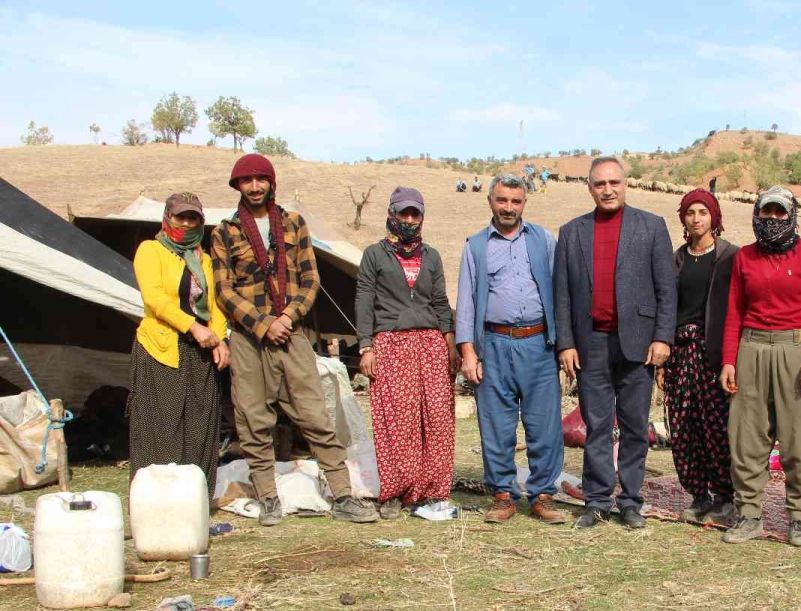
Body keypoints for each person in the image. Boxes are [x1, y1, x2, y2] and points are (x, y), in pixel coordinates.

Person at [211, 153, 379, 526]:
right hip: (248, 339)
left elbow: (310, 280)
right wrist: (262, 323)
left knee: (316, 416)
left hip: (292, 334)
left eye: (261, 179)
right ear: (237, 185)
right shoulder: (224, 232)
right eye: (247, 180)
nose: (255, 187)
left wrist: (286, 316)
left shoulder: (293, 223)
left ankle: (343, 495)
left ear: (272, 182)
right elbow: (224, 291)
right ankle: (269, 498)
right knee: (254, 421)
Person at [554, 157, 676, 529]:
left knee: (637, 426)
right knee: (597, 425)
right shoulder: (572, 232)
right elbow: (562, 294)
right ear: (589, 188)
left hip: (638, 344)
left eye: (614, 183)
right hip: (590, 343)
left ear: (626, 184)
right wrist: (566, 344)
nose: (607, 190)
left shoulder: (651, 227)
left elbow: (666, 289)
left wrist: (662, 337)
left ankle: (631, 501)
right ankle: (596, 500)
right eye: (599, 184)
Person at [719, 186, 801, 546]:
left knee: (799, 437)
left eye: (780, 213)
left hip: (794, 348)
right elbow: (734, 311)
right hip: (750, 347)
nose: (772, 220)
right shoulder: (744, 257)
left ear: (792, 214)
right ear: (757, 214)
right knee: (747, 436)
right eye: (767, 212)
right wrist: (728, 360)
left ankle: (800, 515)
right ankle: (748, 512)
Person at [456, 174, 566, 525]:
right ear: (490, 201)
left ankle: (543, 495)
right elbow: (467, 302)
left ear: (524, 203)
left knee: (544, 424)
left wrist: (564, 344)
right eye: (502, 200)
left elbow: (560, 293)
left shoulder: (543, 240)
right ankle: (503, 495)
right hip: (495, 345)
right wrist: (468, 353)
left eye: (515, 201)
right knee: (497, 425)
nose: (508, 207)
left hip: (539, 344)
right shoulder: (475, 246)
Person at [356, 187, 459, 519]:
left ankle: (432, 491)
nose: (410, 220)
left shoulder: (432, 256)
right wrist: (366, 346)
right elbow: (364, 301)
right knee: (398, 420)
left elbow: (441, 302)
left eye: (415, 214)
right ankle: (397, 491)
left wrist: (450, 342)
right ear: (391, 213)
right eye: (404, 213)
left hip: (430, 343)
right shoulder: (374, 255)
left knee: (437, 418)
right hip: (391, 342)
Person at [128, 192, 229, 496]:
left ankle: (194, 501)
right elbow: (155, 299)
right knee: (161, 426)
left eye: (193, 218)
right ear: (166, 218)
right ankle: (156, 501)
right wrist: (193, 327)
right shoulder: (150, 251)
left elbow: (216, 303)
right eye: (180, 217)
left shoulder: (205, 259)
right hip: (161, 348)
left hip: (200, 351)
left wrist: (220, 339)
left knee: (200, 425)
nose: (186, 223)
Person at [658, 189, 737, 525]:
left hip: (714, 355)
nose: (696, 219)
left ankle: (724, 496)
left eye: (703, 212)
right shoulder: (674, 260)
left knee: (717, 427)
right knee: (684, 427)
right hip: (679, 354)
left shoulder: (731, 257)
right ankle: (697, 494)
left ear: (714, 217)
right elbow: (664, 307)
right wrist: (663, 354)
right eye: (690, 212)